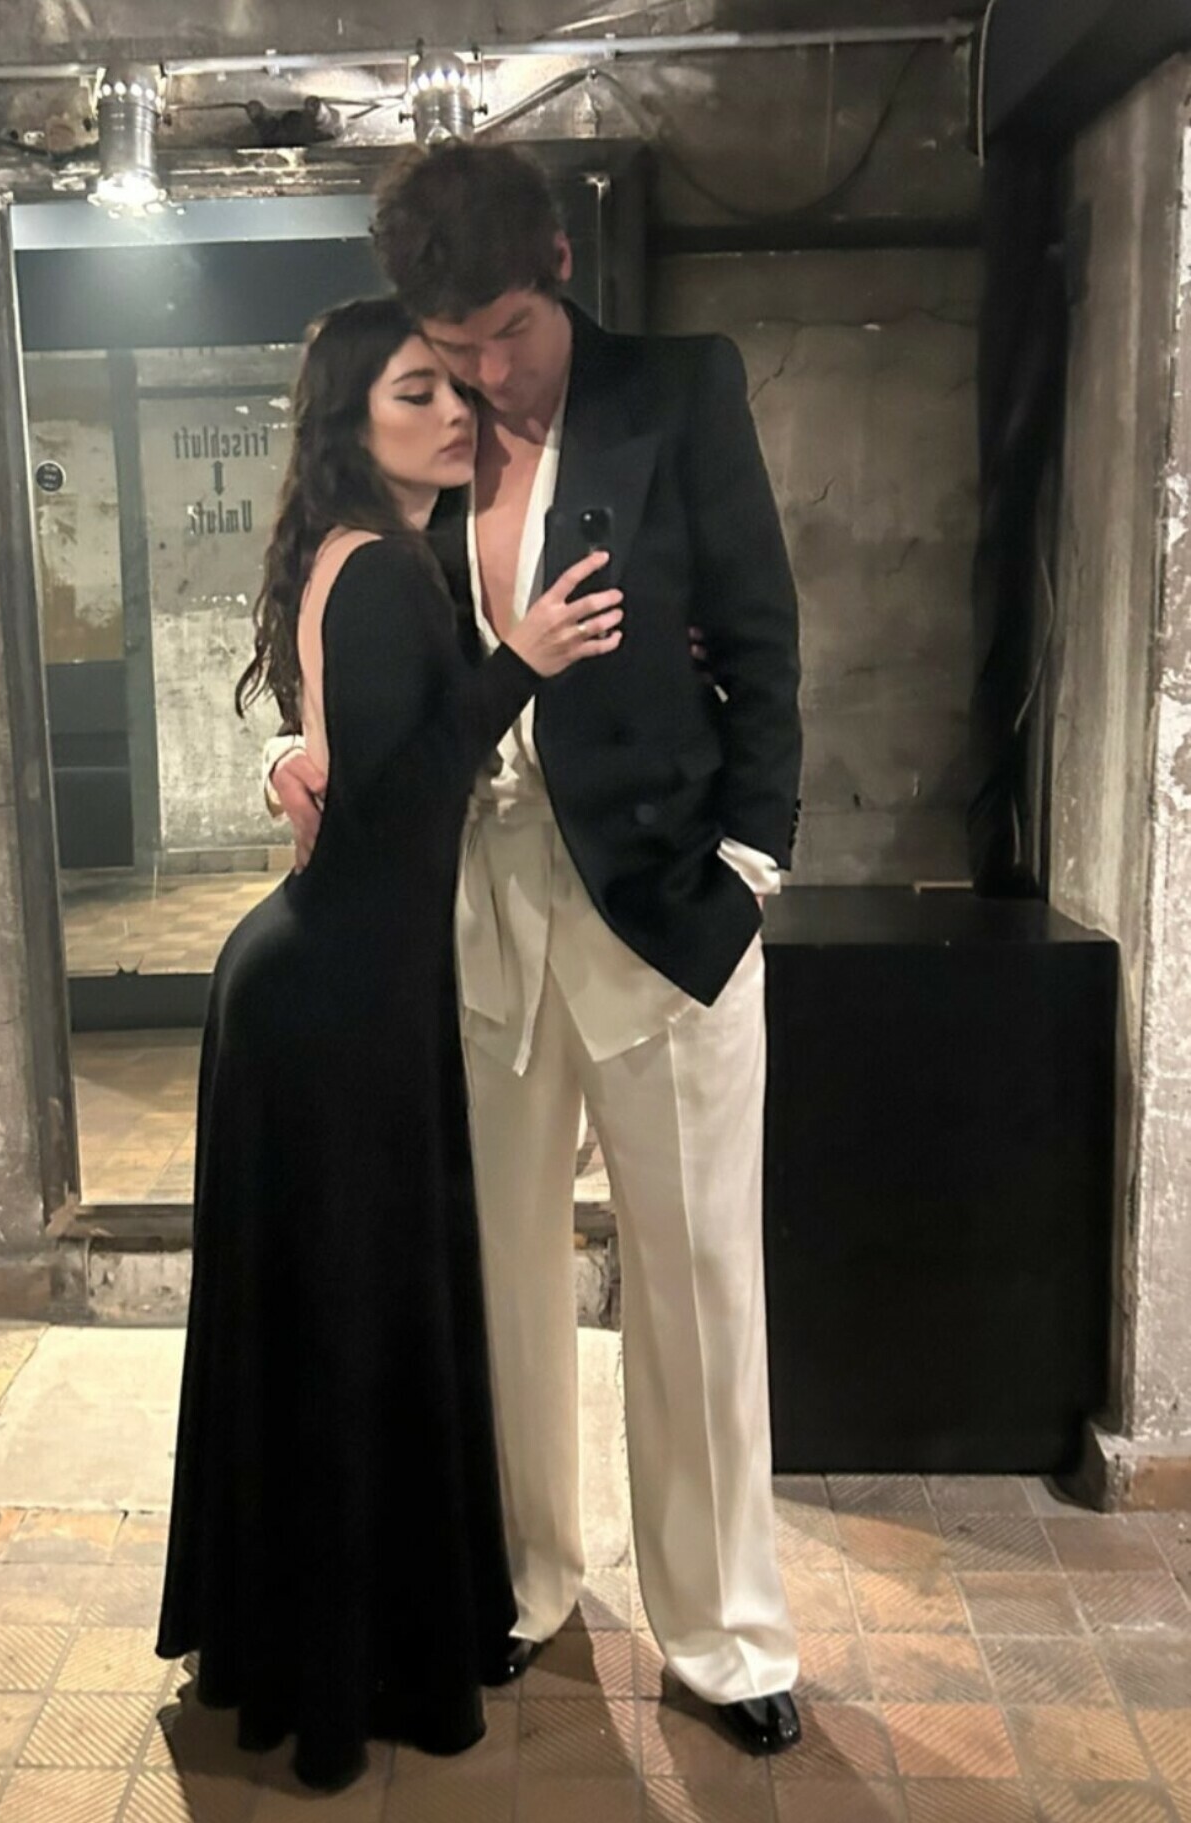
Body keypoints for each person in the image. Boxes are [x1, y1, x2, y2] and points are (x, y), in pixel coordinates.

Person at [266, 143, 804, 1756]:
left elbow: (764, 640)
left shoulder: (677, 392)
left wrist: (751, 867)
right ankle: (522, 1582)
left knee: (697, 1288)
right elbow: (329, 618)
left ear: (559, 265)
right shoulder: (414, 426)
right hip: (468, 918)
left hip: (663, 912)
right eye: (454, 343)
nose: (486, 375)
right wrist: (296, 748)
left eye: (506, 331)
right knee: (495, 1277)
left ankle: (726, 1636)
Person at [155, 295, 625, 1793]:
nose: (454, 413)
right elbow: (394, 803)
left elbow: (348, 764)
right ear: (351, 421)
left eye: (458, 392)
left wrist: (308, 758)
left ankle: (325, 1650)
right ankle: (342, 1672)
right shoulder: (377, 572)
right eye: (417, 392)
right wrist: (523, 662)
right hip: (334, 1002)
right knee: (347, 1334)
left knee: (341, 1331)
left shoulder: (377, 559)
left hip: (342, 987)